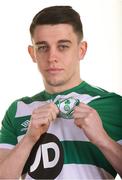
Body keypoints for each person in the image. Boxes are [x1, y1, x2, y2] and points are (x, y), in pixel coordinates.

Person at [0, 5, 122, 180]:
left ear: (82, 50)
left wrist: (102, 138)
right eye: (42, 47)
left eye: (63, 46)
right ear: (32, 53)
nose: (52, 57)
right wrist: (29, 139)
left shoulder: (114, 105)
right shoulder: (18, 110)